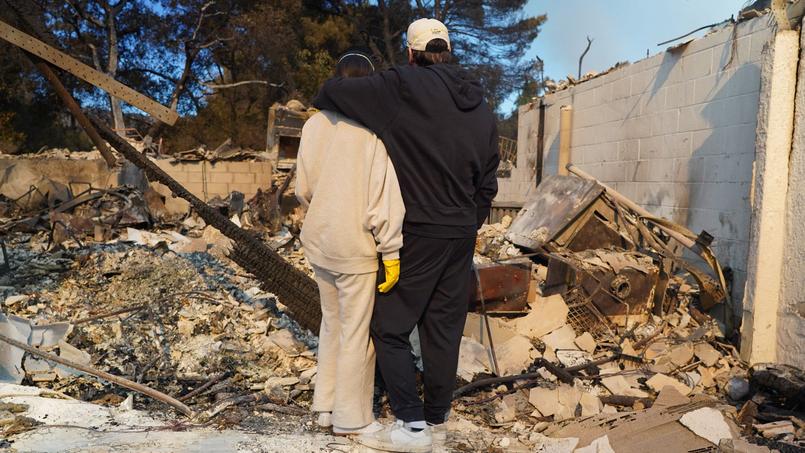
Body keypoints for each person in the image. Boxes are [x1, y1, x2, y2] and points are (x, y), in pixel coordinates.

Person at [313, 18, 499, 452]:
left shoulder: (402, 85)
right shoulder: (482, 104)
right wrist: (469, 220)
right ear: (447, 51)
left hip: (415, 232)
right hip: (459, 235)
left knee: (389, 326)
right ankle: (437, 420)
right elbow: (488, 182)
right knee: (443, 329)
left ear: (411, 53)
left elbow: (330, 92)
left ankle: (412, 425)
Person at [295, 50, 405, 436]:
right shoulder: (369, 132)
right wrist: (390, 250)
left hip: (319, 242)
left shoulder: (312, 127)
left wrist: (323, 210)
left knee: (331, 325)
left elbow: (302, 190)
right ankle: (350, 418)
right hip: (355, 248)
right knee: (357, 332)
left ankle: (324, 406)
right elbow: (384, 201)